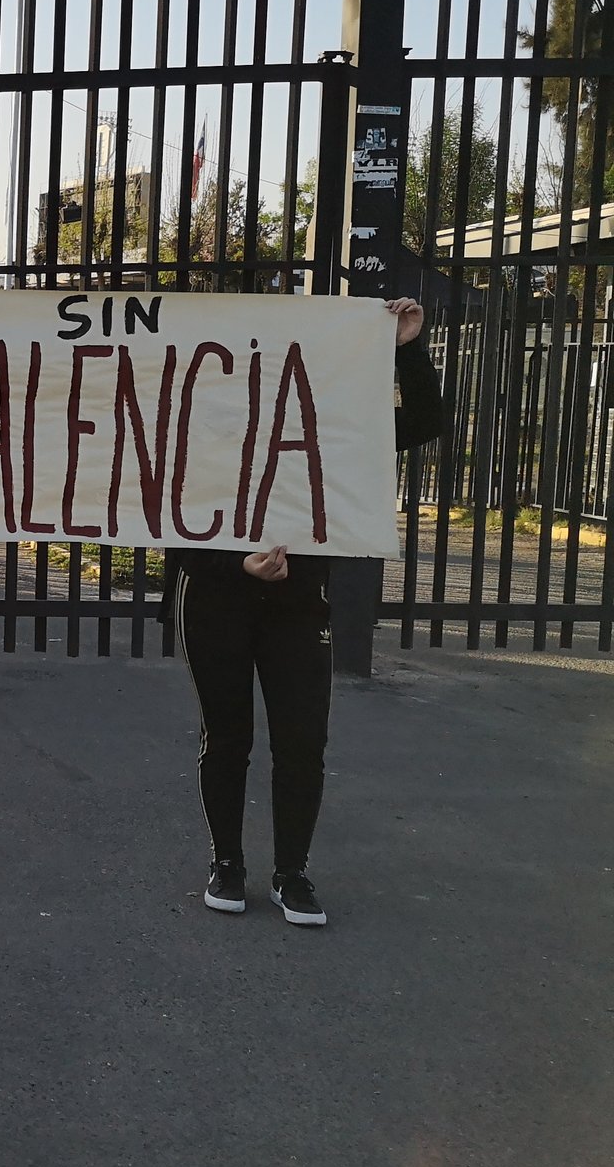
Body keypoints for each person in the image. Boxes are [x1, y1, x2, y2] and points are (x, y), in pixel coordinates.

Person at [170, 296, 444, 926]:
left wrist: (408, 346)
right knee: (228, 735)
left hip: (297, 605)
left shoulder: (336, 430)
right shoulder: (205, 426)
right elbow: (170, 523)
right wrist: (236, 563)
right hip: (217, 601)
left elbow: (424, 421)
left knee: (302, 740)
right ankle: (228, 863)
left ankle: (293, 873)